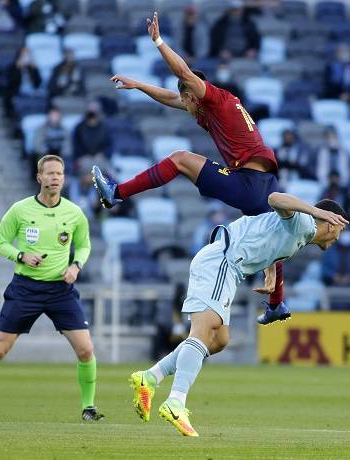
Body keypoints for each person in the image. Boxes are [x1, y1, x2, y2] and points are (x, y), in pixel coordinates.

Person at [92, 11, 289, 324]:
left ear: (194, 93)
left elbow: (182, 76)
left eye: (187, 99)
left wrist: (158, 41)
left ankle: (117, 193)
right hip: (263, 182)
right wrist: (139, 85)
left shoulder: (215, 98)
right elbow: (173, 96)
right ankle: (277, 304)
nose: (184, 106)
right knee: (274, 236)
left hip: (250, 180)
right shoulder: (207, 107)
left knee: (179, 159)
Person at [129, 193, 348, 436]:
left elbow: (266, 236)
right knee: (204, 331)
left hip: (228, 269)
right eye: (341, 229)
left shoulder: (302, 235)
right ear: (332, 222)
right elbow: (275, 198)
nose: (339, 237)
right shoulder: (305, 222)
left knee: (219, 340)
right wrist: (315, 211)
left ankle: (150, 377)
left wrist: (271, 269)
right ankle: (176, 402)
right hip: (222, 262)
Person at [0, 155, 104, 421]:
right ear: (39, 177)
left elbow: (85, 245)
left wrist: (76, 266)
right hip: (25, 289)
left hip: (60, 291)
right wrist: (20, 256)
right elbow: (0, 242)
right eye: (50, 173)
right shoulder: (20, 210)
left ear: (64, 178)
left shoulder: (74, 213)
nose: (55, 178)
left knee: (86, 350)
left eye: (59, 174)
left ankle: (88, 408)